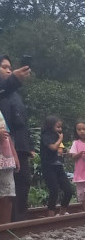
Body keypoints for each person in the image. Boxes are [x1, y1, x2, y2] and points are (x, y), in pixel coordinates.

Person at [0, 56, 33, 222]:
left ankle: (19, 222)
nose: (8, 70)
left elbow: (23, 122)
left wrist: (29, 146)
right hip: (3, 145)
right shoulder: (5, 89)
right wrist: (13, 79)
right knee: (5, 188)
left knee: (22, 183)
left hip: (19, 145)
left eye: (10, 67)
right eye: (4, 67)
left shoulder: (16, 94)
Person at [39, 116, 73, 217]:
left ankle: (62, 213)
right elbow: (53, 147)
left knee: (68, 190)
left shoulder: (55, 137)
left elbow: (59, 151)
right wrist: (61, 139)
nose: (60, 130)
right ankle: (51, 215)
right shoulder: (46, 136)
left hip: (58, 166)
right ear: (50, 126)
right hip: (48, 166)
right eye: (58, 127)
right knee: (54, 190)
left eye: (60, 127)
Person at [0, 110, 20, 224]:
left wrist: (15, 155)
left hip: (6, 160)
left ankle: (5, 228)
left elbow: (7, 135)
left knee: (8, 195)